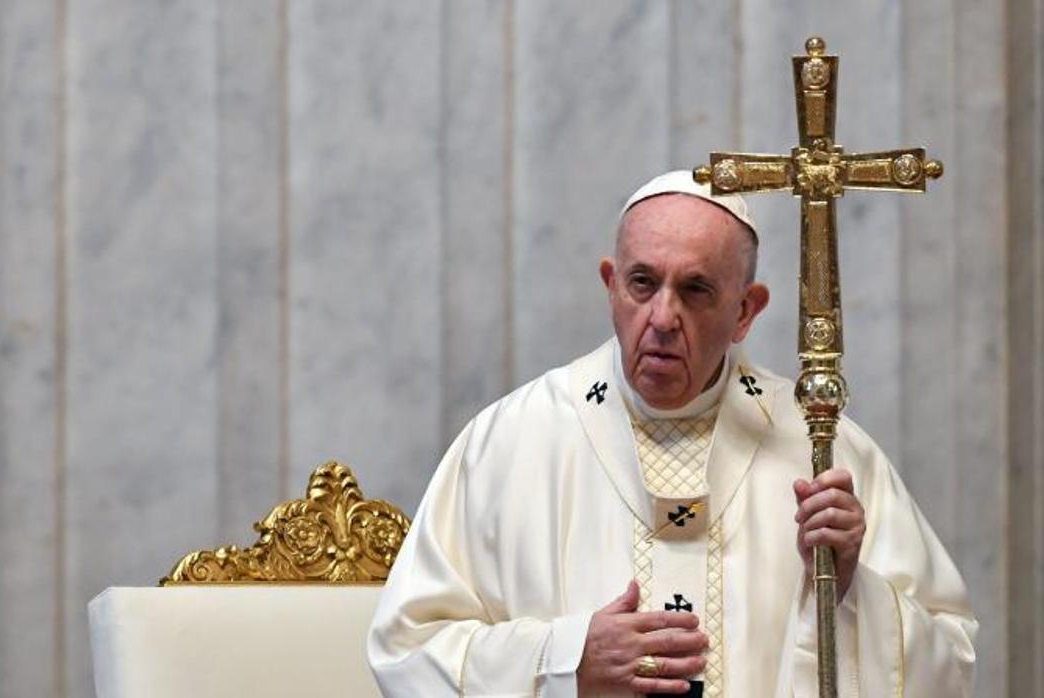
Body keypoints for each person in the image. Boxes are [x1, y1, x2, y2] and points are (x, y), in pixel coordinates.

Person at [366, 170, 977, 697]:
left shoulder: (822, 451)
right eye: (642, 283)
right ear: (610, 284)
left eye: (695, 290)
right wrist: (566, 662)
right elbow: (407, 651)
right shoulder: (510, 442)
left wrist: (843, 593)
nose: (662, 318)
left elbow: (949, 661)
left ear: (746, 311)